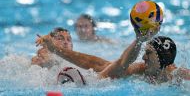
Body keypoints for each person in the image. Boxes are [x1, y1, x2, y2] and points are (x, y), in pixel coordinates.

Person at [36, 33, 190, 84]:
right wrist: (55, 49)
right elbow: (97, 64)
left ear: (161, 58)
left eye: (148, 53)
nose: (143, 57)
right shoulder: (139, 70)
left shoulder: (179, 76)